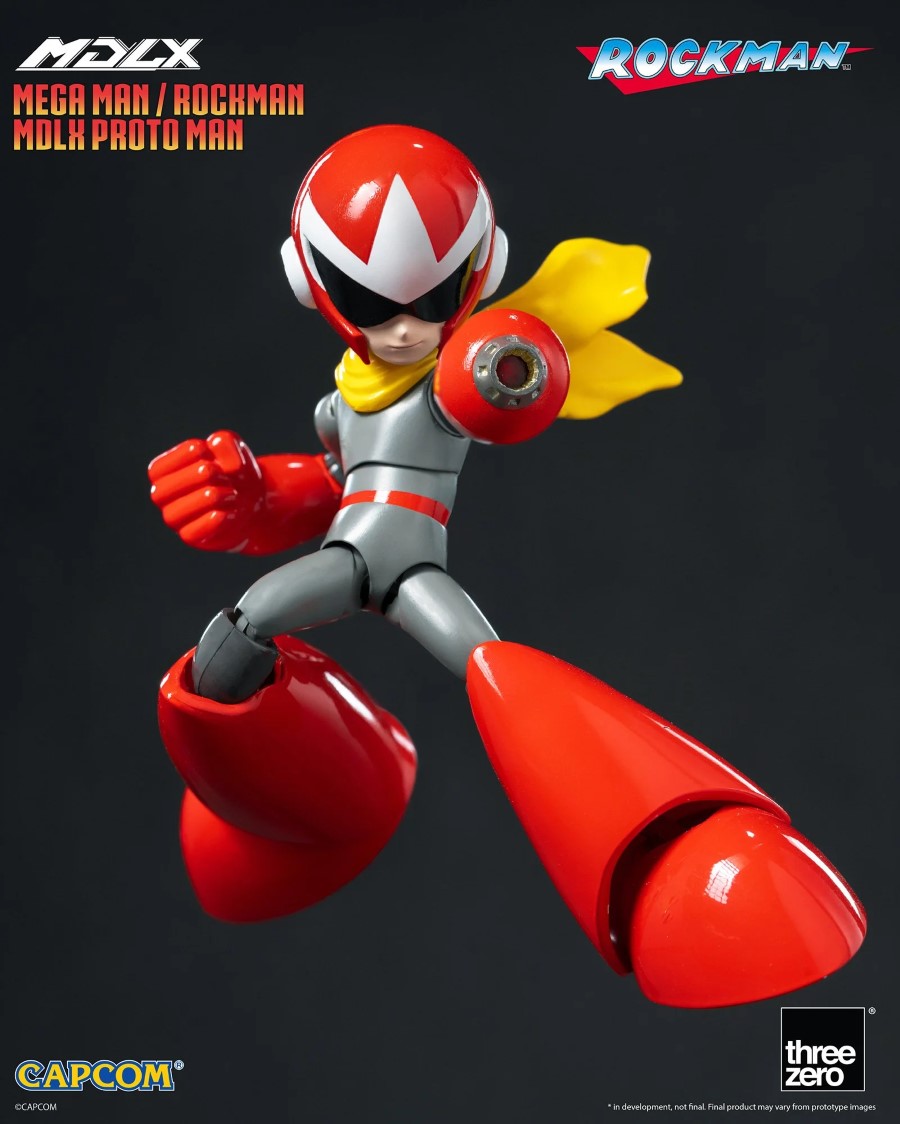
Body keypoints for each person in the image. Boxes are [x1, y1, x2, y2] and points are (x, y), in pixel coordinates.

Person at [150, 126, 865, 1008]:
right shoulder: (342, 400)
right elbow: (330, 487)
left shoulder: (452, 375)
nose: (404, 325)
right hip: (347, 551)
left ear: (478, 274)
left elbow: (501, 388)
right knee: (239, 638)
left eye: (434, 298)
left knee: (498, 677)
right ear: (314, 285)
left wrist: (513, 367)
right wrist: (251, 496)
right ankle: (295, 812)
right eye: (369, 302)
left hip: (413, 566)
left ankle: (683, 855)